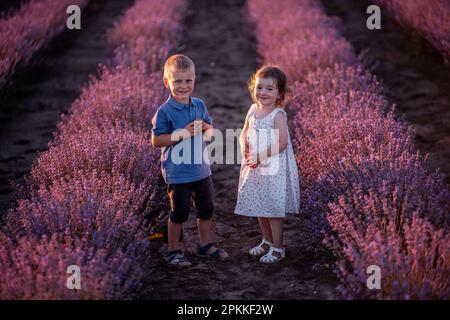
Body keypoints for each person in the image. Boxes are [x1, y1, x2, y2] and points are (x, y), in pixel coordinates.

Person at [151, 54, 229, 268]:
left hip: (201, 169)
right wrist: (182, 134)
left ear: (194, 80)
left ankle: (205, 245)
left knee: (206, 208)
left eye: (188, 81)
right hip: (178, 172)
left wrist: (207, 128)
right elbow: (156, 140)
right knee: (179, 212)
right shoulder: (164, 111)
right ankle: (173, 250)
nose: (184, 86)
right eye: (178, 81)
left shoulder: (199, 105)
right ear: (167, 82)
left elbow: (210, 131)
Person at [234, 65, 300, 264]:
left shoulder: (277, 114)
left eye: (269, 89)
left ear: (279, 93)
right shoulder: (254, 109)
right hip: (254, 165)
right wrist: (244, 147)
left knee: (272, 208)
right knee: (259, 205)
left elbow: (281, 143)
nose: (263, 92)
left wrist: (259, 156)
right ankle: (267, 241)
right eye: (259, 87)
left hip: (272, 167)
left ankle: (279, 248)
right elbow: (245, 132)